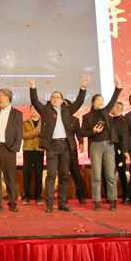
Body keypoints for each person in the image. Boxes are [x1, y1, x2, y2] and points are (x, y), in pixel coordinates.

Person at [26, 75, 91, 213]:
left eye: (58, 97)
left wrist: (83, 86)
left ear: (62, 100)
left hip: (66, 146)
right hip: (52, 146)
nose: (55, 99)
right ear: (50, 100)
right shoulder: (45, 110)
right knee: (51, 175)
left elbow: (79, 101)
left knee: (64, 176)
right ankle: (49, 204)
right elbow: (34, 101)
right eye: (53, 97)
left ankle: (62, 203)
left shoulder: (68, 110)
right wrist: (33, 86)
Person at [80, 75, 123, 210]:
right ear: (93, 102)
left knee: (110, 174)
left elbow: (113, 99)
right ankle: (96, 201)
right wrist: (92, 131)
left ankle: (112, 201)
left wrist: (118, 85)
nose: (101, 102)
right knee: (96, 175)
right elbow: (82, 132)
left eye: (102, 100)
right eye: (98, 100)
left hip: (108, 144)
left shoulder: (105, 112)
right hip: (95, 146)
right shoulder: (87, 116)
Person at [22, 106, 44, 205]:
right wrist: (33, 133)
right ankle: (27, 197)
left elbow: (47, 134)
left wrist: (40, 133)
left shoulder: (44, 122)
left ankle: (38, 197)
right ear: (30, 111)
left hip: (39, 150)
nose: (34, 111)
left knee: (39, 174)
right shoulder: (25, 122)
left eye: (36, 109)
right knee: (27, 174)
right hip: (28, 150)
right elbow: (22, 135)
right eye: (32, 109)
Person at [67, 107, 87, 205]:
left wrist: (81, 142)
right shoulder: (57, 118)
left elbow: (78, 133)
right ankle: (63, 197)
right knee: (63, 174)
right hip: (60, 149)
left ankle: (81, 196)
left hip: (72, 150)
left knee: (76, 173)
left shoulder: (75, 120)